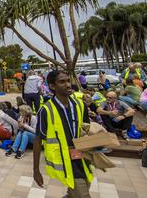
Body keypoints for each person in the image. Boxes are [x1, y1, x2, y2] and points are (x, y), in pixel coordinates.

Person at [33, 70, 93, 198]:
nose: (68, 84)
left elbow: (87, 130)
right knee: (82, 193)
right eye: (62, 82)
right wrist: (36, 170)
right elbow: (38, 140)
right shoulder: (46, 110)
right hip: (65, 159)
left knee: (83, 186)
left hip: (81, 156)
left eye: (68, 80)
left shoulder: (80, 105)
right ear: (52, 86)